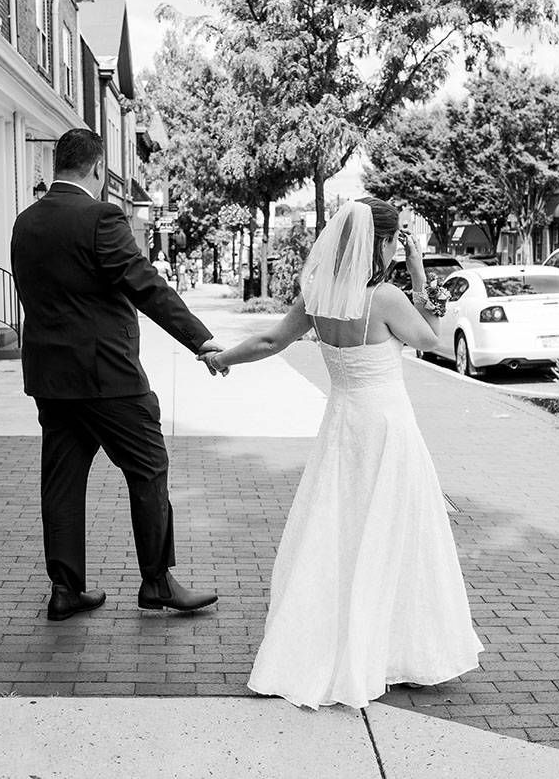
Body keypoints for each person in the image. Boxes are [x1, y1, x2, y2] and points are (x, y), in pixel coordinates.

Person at [200, 198, 483, 709]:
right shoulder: (387, 298)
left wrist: (223, 358)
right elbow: (433, 340)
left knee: (337, 532)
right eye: (395, 240)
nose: (397, 248)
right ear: (380, 241)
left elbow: (269, 340)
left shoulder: (320, 294)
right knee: (393, 533)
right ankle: (391, 650)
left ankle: (332, 642)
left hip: (342, 428)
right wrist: (418, 271)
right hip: (387, 430)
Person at [11, 128, 223, 622]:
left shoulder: (25, 223)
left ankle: (66, 590)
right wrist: (201, 339)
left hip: (51, 379)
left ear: (58, 164)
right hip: (109, 378)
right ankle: (156, 582)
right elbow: (146, 286)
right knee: (148, 467)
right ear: (98, 170)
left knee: (61, 484)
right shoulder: (101, 217)